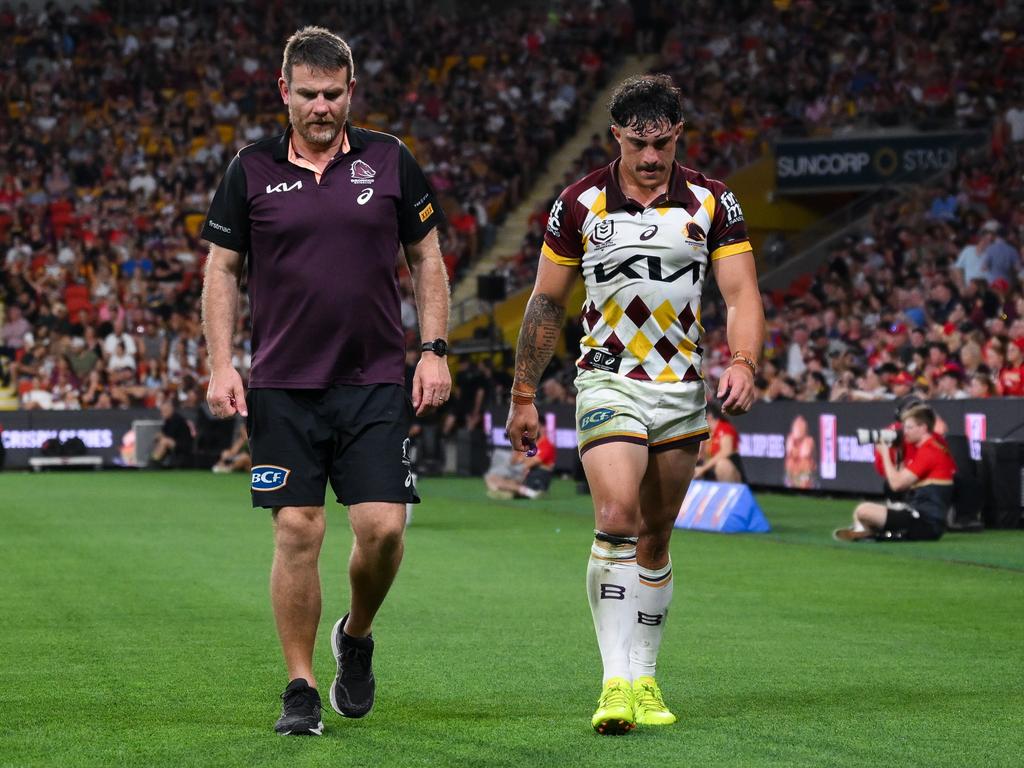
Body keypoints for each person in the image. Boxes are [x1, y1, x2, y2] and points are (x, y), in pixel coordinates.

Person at [199, 27, 450, 737]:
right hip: (282, 384)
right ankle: (301, 687)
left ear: (351, 90)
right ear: (284, 91)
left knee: (382, 532)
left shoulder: (390, 160)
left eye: (333, 94)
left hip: (374, 380)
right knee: (298, 531)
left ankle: (356, 637)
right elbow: (220, 269)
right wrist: (223, 363)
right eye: (307, 94)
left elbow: (428, 258)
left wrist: (433, 349)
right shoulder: (249, 169)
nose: (320, 107)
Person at [505, 75, 764, 735]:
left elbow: (740, 294)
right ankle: (613, 682)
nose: (651, 158)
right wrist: (524, 392)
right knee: (615, 515)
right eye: (638, 143)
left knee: (655, 537)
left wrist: (743, 362)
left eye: (663, 143)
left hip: (680, 387)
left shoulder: (713, 201)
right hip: (608, 378)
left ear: (679, 135)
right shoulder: (579, 202)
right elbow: (546, 302)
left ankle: (646, 678)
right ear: (614, 135)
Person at [834, 403, 956, 542]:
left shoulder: (930, 451)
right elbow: (900, 477)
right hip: (920, 516)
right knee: (860, 512)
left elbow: (896, 485)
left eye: (909, 427)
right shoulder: (926, 448)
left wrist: (885, 453)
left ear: (923, 428)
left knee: (863, 510)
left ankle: (868, 530)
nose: (905, 432)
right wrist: (897, 454)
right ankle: (867, 530)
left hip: (927, 522)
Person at [484, 424, 556, 500]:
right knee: (490, 479)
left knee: (495, 481)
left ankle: (521, 492)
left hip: (533, 477)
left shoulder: (546, 445)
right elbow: (514, 462)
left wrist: (521, 460)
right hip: (523, 473)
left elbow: (528, 464)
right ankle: (512, 493)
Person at [693, 403, 745, 483]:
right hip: (709, 469)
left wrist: (703, 469)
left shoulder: (725, 427)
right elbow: (700, 456)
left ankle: (727, 494)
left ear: (709, 416)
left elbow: (726, 451)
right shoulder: (706, 433)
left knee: (722, 465)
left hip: (731, 471)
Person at [150, 397, 194, 468]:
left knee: (164, 441)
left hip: (183, 446)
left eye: (165, 411)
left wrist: (161, 436)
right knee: (162, 441)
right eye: (162, 411)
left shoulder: (177, 419)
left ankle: (153, 463)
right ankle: (154, 460)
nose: (162, 413)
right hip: (175, 444)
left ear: (171, 409)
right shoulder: (168, 421)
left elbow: (169, 436)